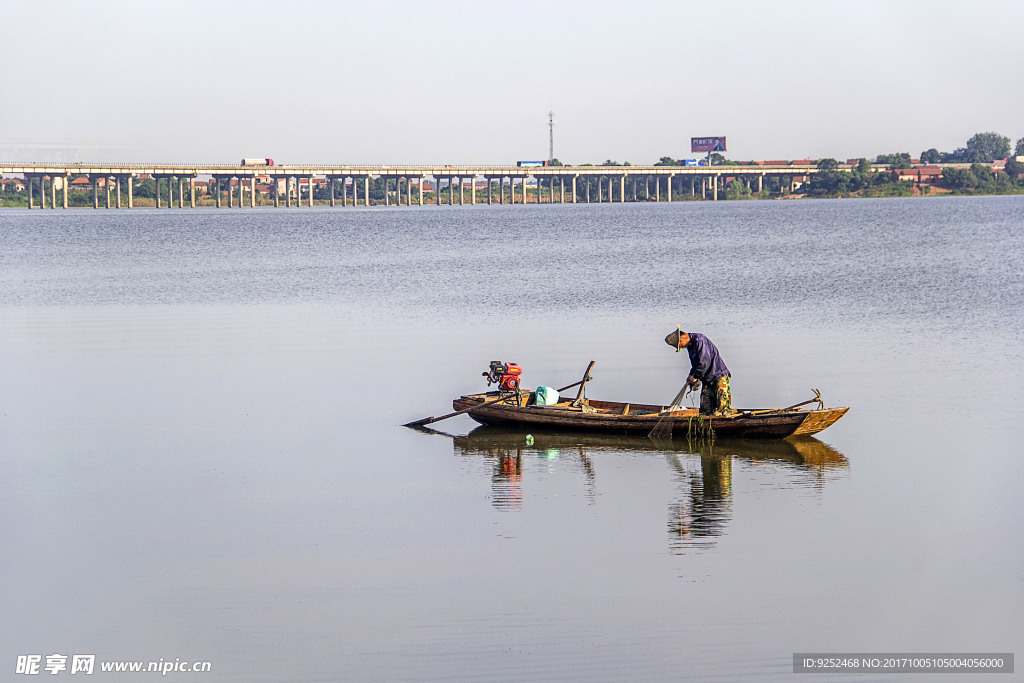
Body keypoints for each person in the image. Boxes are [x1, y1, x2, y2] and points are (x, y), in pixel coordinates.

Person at [664, 326, 733, 416]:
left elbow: (704, 363)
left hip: (718, 376)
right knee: (705, 410)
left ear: (683, 337)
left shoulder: (700, 340)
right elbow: (695, 365)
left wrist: (695, 376)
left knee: (723, 410)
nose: (681, 347)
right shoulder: (690, 346)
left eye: (680, 345)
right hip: (707, 379)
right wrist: (691, 375)